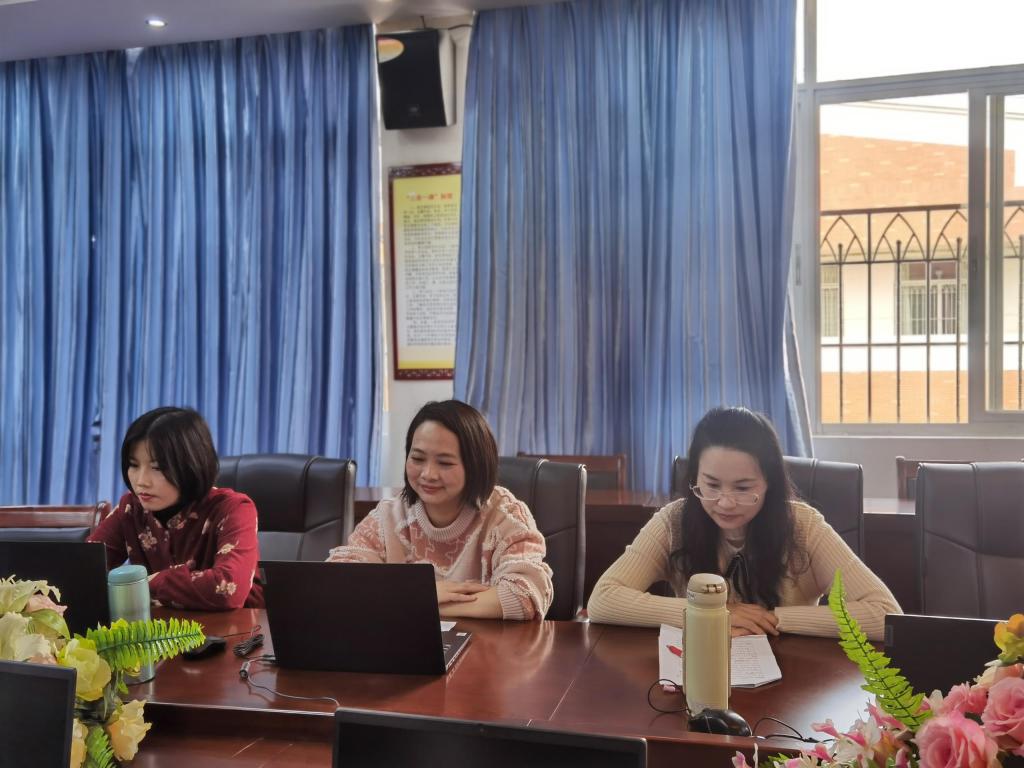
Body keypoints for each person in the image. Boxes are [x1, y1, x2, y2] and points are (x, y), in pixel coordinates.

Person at [586, 407, 899, 640]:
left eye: (743, 488)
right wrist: (711, 615)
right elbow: (603, 600)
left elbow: (885, 614)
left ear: (769, 483)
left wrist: (770, 619)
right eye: (711, 485)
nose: (725, 502)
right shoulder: (674, 520)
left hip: (792, 679)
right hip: (699, 669)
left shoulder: (803, 526)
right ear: (695, 478)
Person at [328, 399, 553, 620]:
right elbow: (337, 583)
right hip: (407, 642)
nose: (428, 474)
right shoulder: (389, 516)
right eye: (417, 458)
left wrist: (418, 602)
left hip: (489, 643)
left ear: (475, 465)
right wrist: (424, 596)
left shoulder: (505, 515)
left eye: (445, 463)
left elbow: (526, 596)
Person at [89, 406, 263, 610]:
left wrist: (143, 584)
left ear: (191, 465)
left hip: (237, 627)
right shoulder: (131, 508)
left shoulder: (233, 508)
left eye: (157, 468)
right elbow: (82, 571)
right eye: (134, 465)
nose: (141, 481)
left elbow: (227, 589)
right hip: (161, 628)